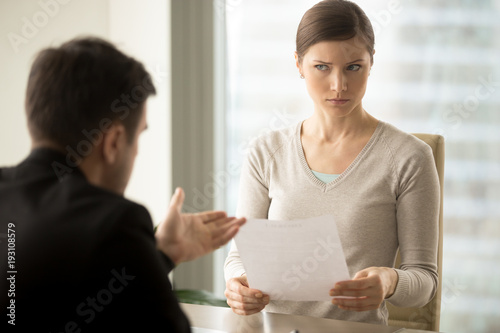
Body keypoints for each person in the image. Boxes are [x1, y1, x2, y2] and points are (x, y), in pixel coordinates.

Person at [0, 37, 245, 332]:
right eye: (138, 136)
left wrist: (163, 254)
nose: (137, 152)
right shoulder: (115, 222)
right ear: (114, 142)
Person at [224, 0, 439, 326]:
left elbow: (424, 280)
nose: (339, 85)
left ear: (371, 63)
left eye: (353, 67)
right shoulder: (265, 153)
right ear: (298, 64)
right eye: (322, 67)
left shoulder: (410, 158)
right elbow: (240, 259)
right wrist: (238, 284)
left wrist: (389, 281)